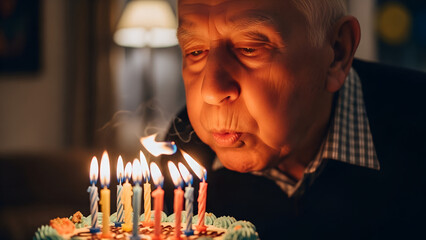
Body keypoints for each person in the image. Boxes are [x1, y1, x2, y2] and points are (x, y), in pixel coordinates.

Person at [161, 0, 426, 239]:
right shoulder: (181, 151)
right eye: (195, 52)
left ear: (336, 53)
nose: (211, 91)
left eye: (249, 48)